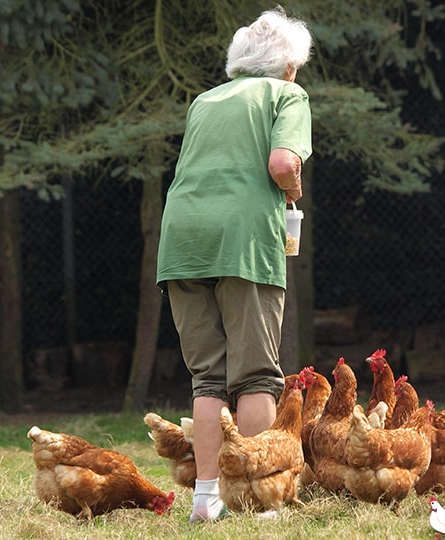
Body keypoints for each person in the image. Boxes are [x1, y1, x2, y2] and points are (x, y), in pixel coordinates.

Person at [155, 7, 313, 522]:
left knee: (207, 380)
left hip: (181, 239)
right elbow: (283, 162)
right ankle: (256, 498)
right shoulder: (286, 94)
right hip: (242, 240)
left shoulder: (205, 99)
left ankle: (206, 499)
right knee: (255, 378)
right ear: (288, 66)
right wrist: (293, 189)